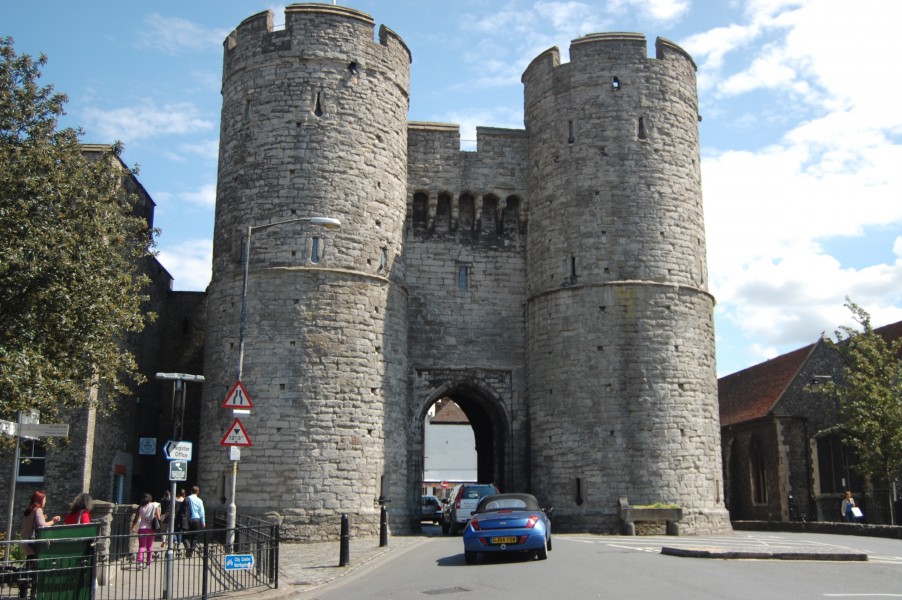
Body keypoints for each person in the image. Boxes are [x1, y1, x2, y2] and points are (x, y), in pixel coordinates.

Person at [19, 491, 60, 598]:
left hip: (26, 544)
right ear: (40, 500)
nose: (45, 501)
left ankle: (23, 594)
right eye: (45, 499)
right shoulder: (38, 510)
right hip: (34, 545)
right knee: (35, 573)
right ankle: (34, 595)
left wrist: (43, 518)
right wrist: (53, 521)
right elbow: (43, 527)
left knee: (28, 571)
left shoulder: (30, 510)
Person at [131, 493, 161, 569]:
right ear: (150, 499)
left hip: (142, 528)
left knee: (142, 546)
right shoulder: (154, 506)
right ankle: (148, 563)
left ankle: (140, 562)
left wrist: (133, 527)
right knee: (150, 546)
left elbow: (136, 519)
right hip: (151, 529)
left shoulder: (140, 507)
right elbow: (158, 517)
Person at [184, 486, 206, 558]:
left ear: (191, 491)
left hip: (188, 520)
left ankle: (187, 546)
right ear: (198, 492)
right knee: (194, 537)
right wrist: (203, 521)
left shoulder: (187, 498)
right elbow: (202, 512)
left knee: (185, 535)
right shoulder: (200, 500)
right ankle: (191, 552)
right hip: (197, 519)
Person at [173, 488, 189, 556]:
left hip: (175, 517)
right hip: (183, 519)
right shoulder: (186, 501)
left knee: (173, 531)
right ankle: (178, 545)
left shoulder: (175, 500)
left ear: (178, 494)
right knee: (179, 532)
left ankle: (175, 540)